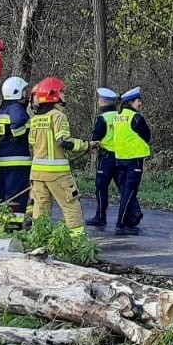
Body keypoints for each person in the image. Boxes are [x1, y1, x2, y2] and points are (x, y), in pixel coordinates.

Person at [27, 76, 91, 235]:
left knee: (41, 209)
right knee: (71, 205)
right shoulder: (58, 116)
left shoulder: (35, 119)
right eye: (62, 91)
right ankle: (77, 243)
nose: (65, 95)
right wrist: (86, 145)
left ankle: (38, 239)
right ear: (53, 94)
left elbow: (31, 141)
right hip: (57, 174)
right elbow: (64, 142)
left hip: (37, 173)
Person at [106, 87, 151, 235]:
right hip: (134, 160)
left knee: (126, 192)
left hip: (120, 159)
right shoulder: (136, 118)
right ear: (131, 102)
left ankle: (128, 220)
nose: (140, 104)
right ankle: (122, 223)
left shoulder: (118, 117)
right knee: (129, 193)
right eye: (138, 101)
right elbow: (146, 134)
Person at [0, 76, 32, 228]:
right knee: (18, 192)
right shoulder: (16, 109)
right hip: (18, 158)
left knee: (5, 191)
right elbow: (17, 128)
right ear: (17, 92)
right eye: (24, 91)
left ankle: (1, 220)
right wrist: (30, 126)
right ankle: (13, 225)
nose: (26, 94)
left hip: (3, 157)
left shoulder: (3, 109)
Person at [84, 87, 121, 229]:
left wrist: (90, 147)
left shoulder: (102, 118)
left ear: (103, 101)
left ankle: (100, 217)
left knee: (101, 188)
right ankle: (129, 216)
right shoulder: (120, 116)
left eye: (100, 99)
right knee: (122, 187)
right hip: (120, 157)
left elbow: (96, 138)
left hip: (105, 158)